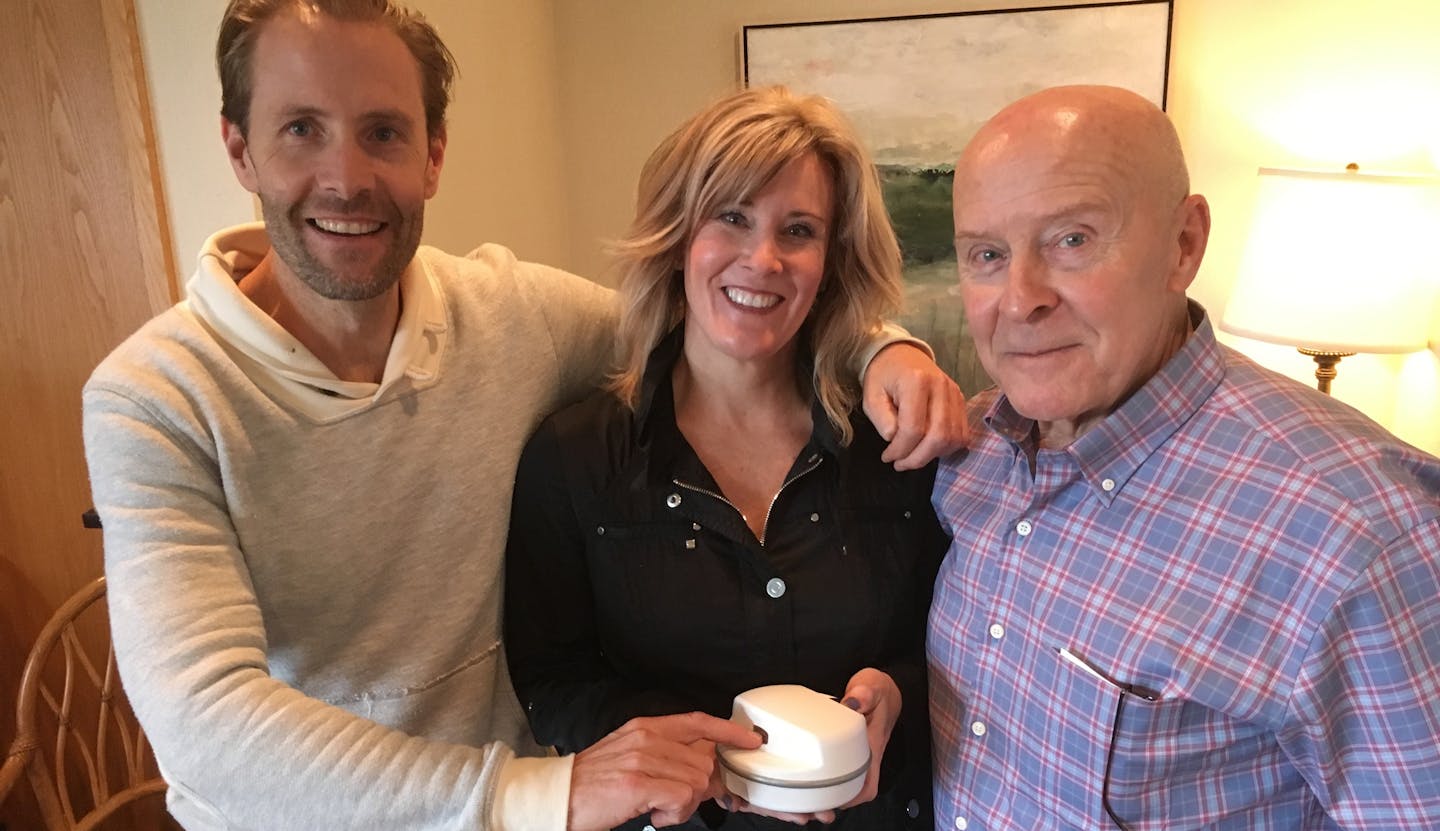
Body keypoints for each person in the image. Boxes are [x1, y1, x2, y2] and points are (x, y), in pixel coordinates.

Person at [80, 2, 966, 830]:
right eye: (300, 129)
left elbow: (726, 319)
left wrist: (887, 349)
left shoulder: (514, 318)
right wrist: (544, 790)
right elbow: (204, 720)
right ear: (239, 149)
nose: (346, 177)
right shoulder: (154, 398)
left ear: (433, 153)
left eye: (383, 131)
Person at [927, 83, 1440, 831]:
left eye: (1072, 239)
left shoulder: (1359, 531)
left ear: (1184, 244)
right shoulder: (970, 456)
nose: (1021, 298)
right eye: (987, 255)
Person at [503, 86, 947, 831]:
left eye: (798, 229)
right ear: (680, 236)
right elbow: (554, 678)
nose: (763, 258)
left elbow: (949, 643)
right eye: (732, 217)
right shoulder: (578, 458)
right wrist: (677, 751)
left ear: (830, 260)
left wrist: (900, 693)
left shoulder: (895, 446)